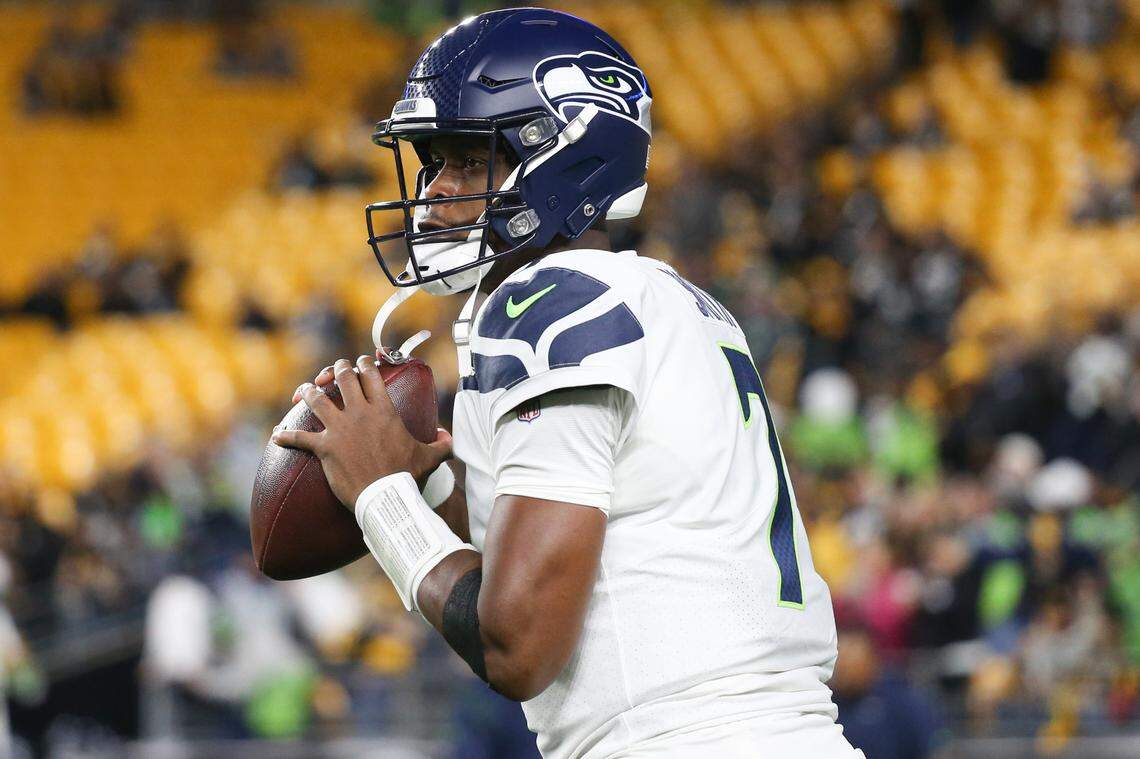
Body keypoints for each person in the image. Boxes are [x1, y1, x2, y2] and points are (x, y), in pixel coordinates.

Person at [272, 9, 861, 758]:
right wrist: (425, 483)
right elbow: (562, 550)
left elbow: (518, 645)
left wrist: (382, 498)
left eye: (468, 160)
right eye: (432, 163)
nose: (435, 194)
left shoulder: (554, 302)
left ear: (565, 154)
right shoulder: (666, 298)